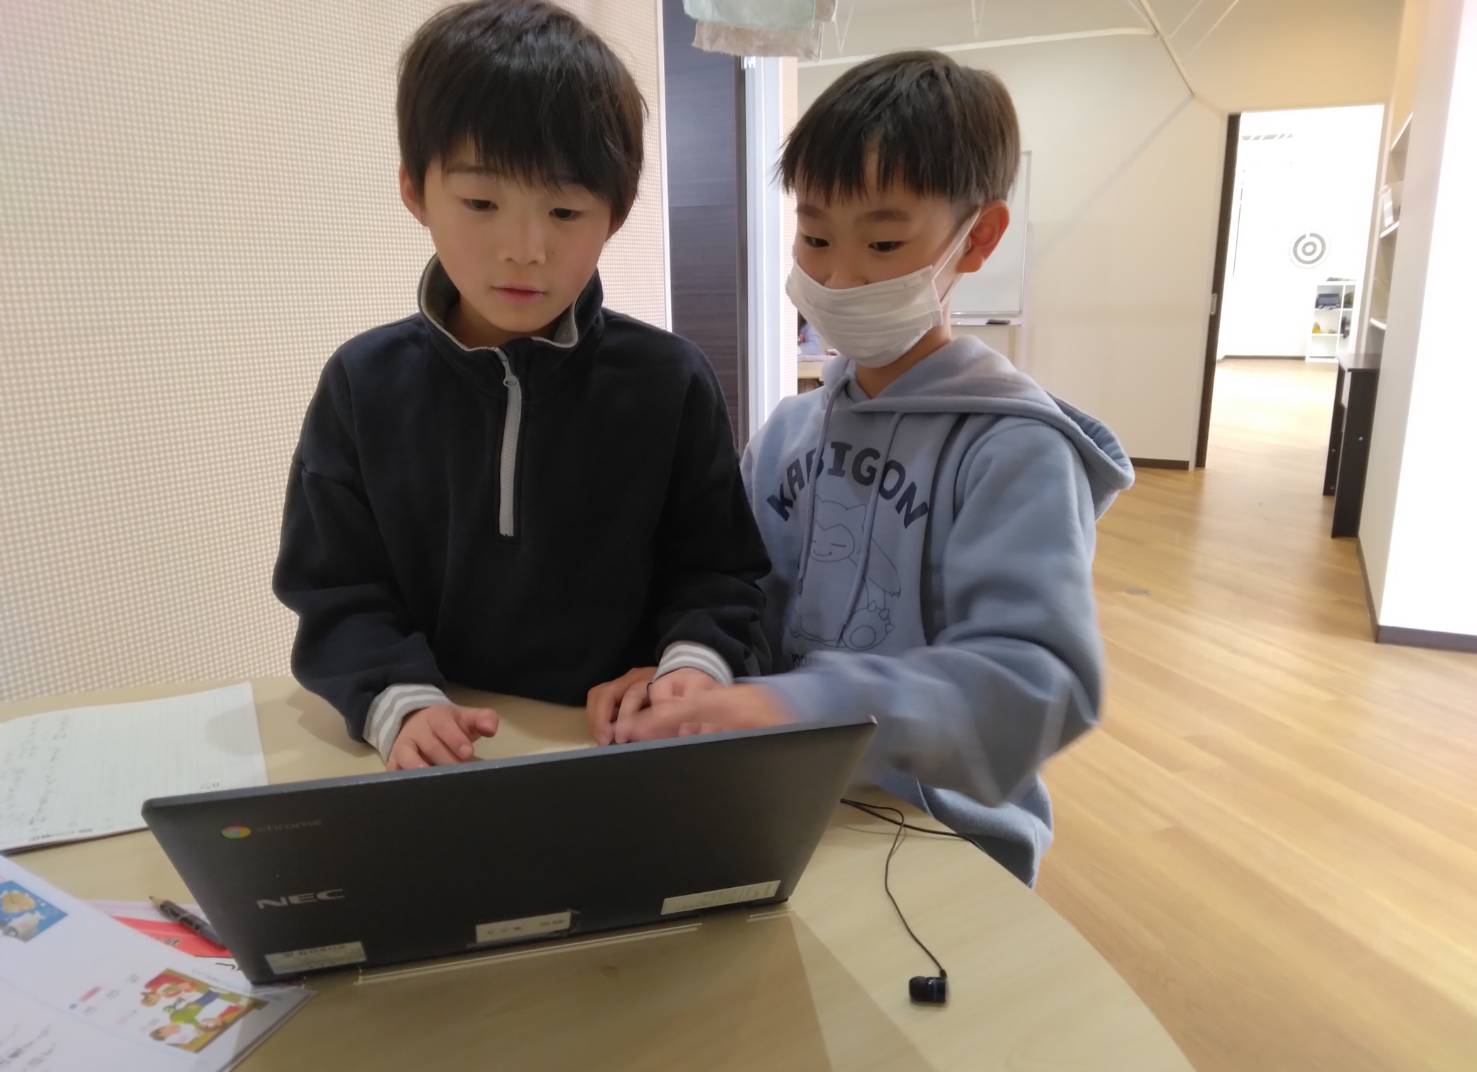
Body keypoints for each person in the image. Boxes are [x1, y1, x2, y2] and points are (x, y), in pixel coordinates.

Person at [608, 51, 1134, 884]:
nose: (839, 277)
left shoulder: (1014, 452)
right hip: (784, 801)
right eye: (814, 237)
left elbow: (1034, 683)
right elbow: (739, 601)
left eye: (883, 242)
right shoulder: (786, 433)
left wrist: (800, 705)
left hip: (939, 835)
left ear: (977, 238)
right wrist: (693, 670)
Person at [274, 0, 769, 770]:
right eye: (480, 203)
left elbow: (718, 573)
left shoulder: (669, 382)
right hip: (440, 755)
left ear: (615, 214)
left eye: (565, 210)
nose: (524, 248)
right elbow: (337, 590)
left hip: (622, 751)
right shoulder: (361, 383)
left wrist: (689, 667)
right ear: (415, 191)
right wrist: (397, 700)